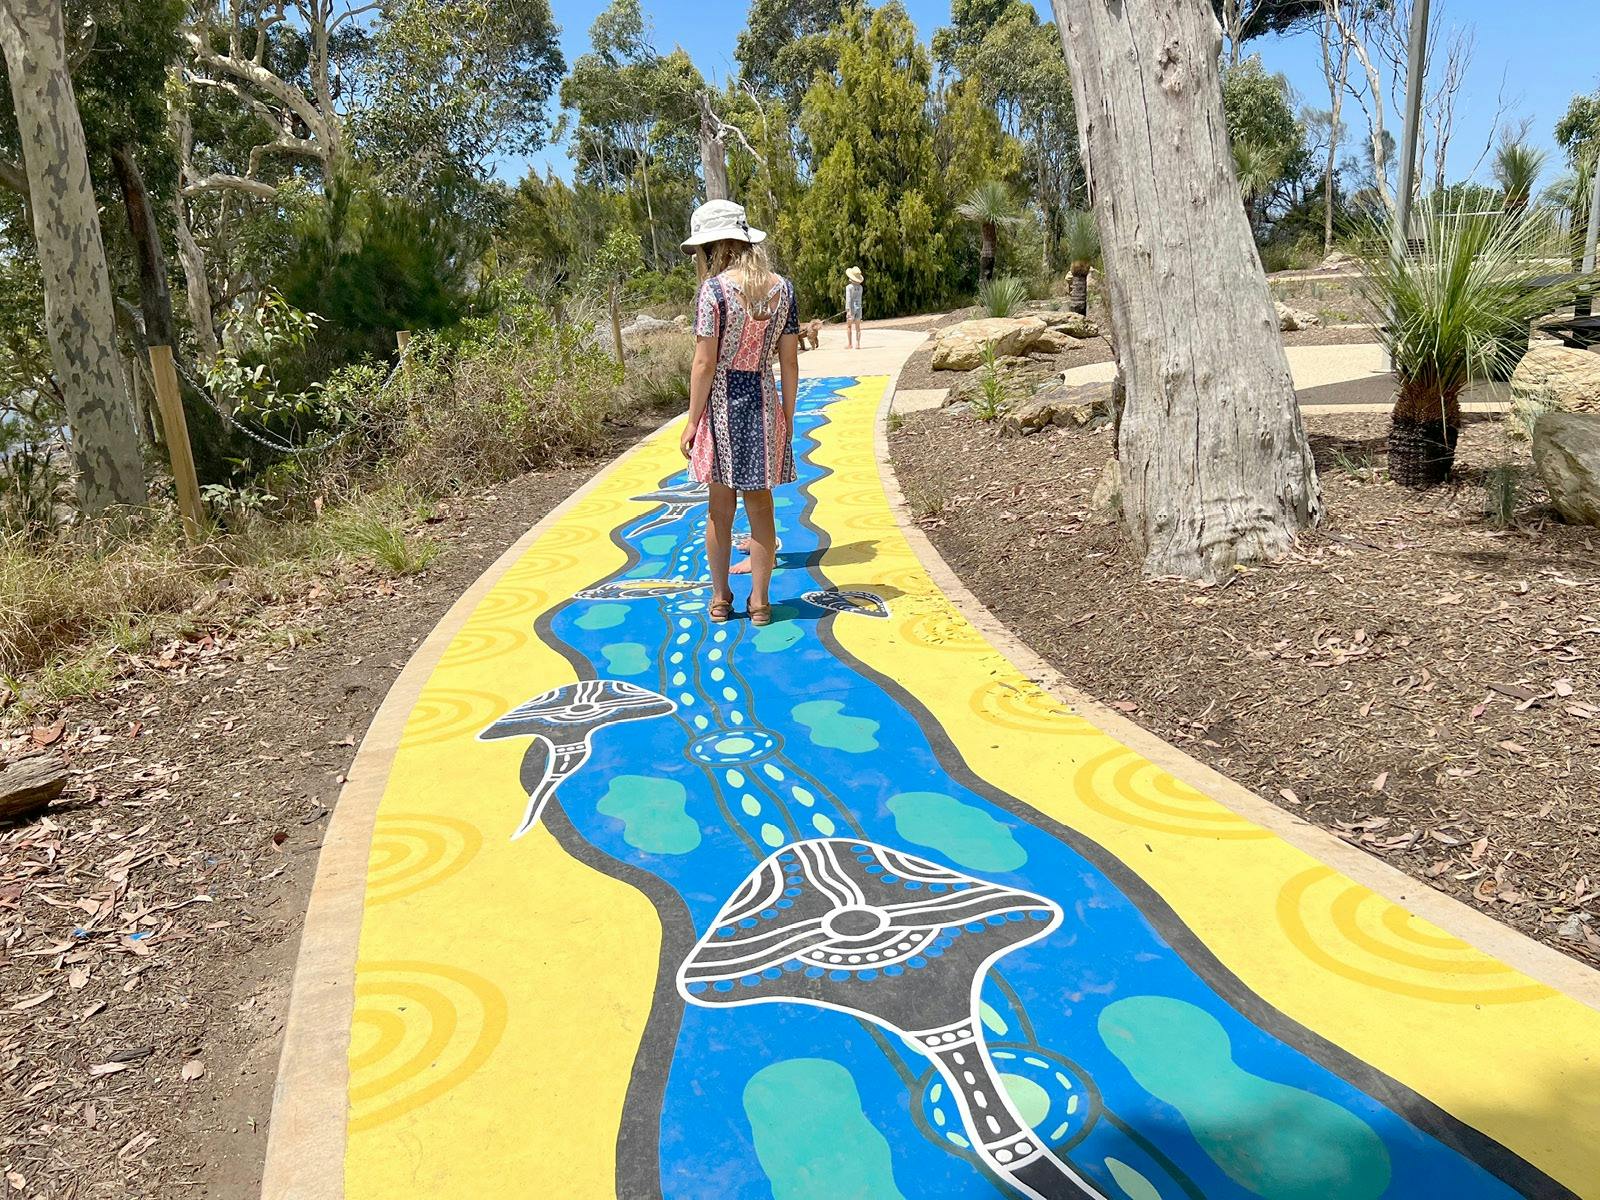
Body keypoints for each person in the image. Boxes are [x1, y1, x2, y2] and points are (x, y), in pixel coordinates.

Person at [679, 200, 800, 626]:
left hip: (722, 407)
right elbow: (789, 362)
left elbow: (704, 364)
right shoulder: (782, 289)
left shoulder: (712, 293)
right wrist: (786, 417)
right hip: (765, 403)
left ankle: (719, 598)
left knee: (720, 510)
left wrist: (693, 421)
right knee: (762, 508)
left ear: (714, 246)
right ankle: (761, 603)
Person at [844, 265, 864, 350]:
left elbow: (848, 299)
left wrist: (848, 310)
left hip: (851, 309)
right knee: (858, 328)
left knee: (849, 326)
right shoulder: (860, 287)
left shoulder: (849, 287)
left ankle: (849, 344)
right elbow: (859, 298)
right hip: (859, 308)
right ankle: (858, 344)